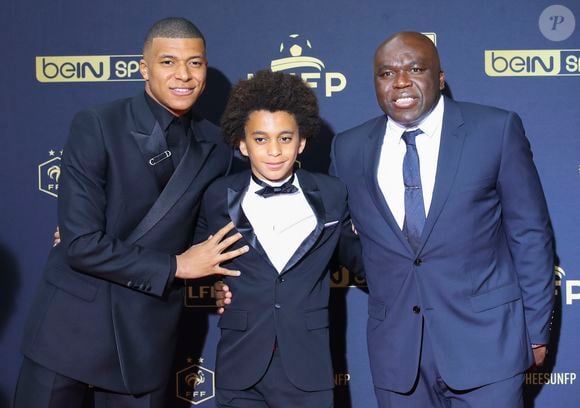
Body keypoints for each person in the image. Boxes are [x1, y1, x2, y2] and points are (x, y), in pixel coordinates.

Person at [15, 17, 248, 408]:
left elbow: (207, 237)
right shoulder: (98, 125)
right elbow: (81, 244)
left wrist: (226, 282)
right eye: (168, 62)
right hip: (69, 326)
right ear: (144, 68)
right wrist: (175, 267)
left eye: (195, 63)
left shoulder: (217, 147)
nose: (184, 75)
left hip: (146, 335)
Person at [329, 32, 554, 407]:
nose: (401, 82)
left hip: (488, 347)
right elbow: (338, 236)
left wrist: (535, 331)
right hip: (398, 356)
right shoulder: (349, 147)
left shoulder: (494, 130)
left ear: (441, 77)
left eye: (415, 69)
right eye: (387, 73)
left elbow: (530, 233)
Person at [200, 69, 360, 408]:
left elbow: (360, 257)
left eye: (285, 138)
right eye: (261, 139)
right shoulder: (217, 196)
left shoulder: (332, 194)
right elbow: (183, 254)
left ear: (301, 141)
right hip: (239, 366)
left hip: (308, 366)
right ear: (241, 144)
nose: (274, 151)